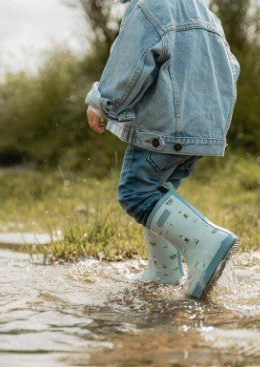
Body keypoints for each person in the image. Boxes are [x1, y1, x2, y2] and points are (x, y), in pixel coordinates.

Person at [85, 0, 240, 299]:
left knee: (136, 192)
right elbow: (231, 67)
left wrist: (103, 103)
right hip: (204, 126)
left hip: (163, 128)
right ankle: (164, 270)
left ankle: (206, 242)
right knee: (160, 190)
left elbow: (130, 65)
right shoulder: (205, 14)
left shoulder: (147, 8)